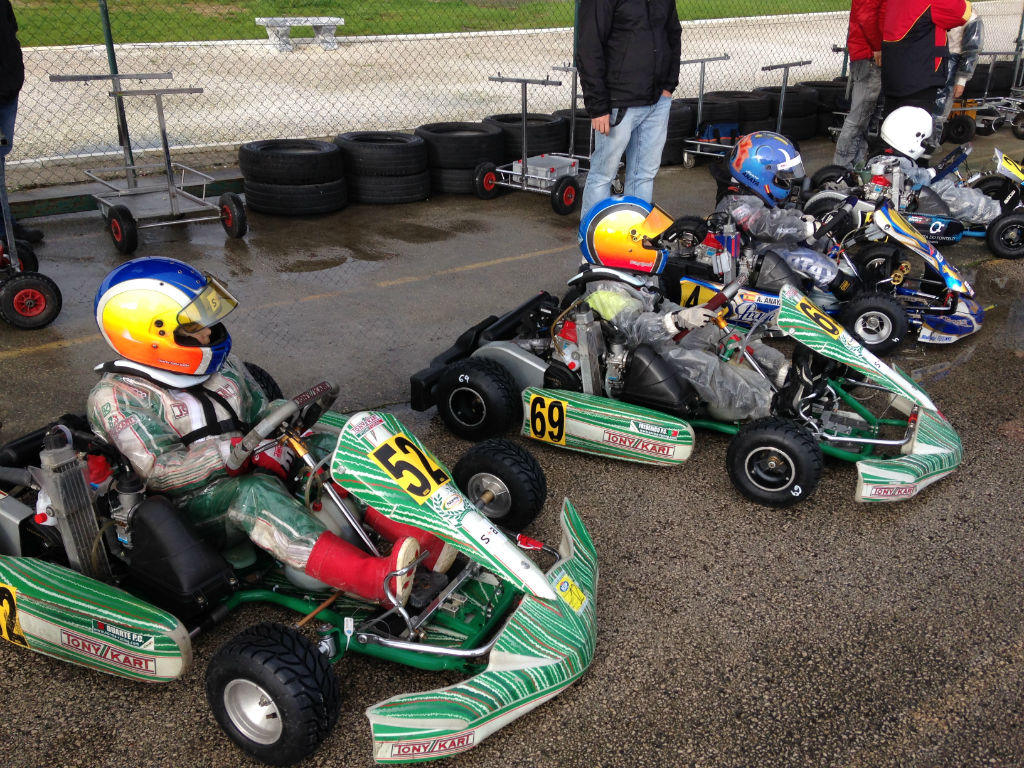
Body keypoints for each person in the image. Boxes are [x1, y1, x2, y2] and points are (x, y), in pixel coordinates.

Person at [86, 256, 455, 607]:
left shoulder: (224, 365)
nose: (210, 330)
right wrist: (237, 452)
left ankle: (421, 541)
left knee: (328, 449)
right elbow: (159, 471)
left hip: (248, 462)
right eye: (195, 326)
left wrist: (283, 422)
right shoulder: (116, 397)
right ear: (155, 334)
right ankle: (375, 581)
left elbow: (258, 411)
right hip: (189, 510)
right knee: (254, 493)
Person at [577, 198, 786, 423]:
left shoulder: (630, 277)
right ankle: (770, 403)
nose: (658, 246)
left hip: (659, 340)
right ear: (622, 245)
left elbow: (658, 303)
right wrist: (676, 321)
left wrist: (690, 314)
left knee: (717, 331)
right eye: (649, 242)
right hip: (640, 355)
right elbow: (635, 330)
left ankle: (781, 371)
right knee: (702, 365)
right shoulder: (605, 291)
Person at [575, 0, 681, 220]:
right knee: (603, 175)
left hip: (657, 101)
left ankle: (634, 236)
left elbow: (673, 33)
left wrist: (668, 85)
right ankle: (591, 240)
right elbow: (589, 47)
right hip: (618, 102)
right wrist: (598, 106)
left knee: (644, 175)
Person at [717, 132, 852, 298]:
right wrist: (804, 228)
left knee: (821, 241)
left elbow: (773, 214)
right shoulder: (735, 203)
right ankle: (848, 292)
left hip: (762, 245)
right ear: (758, 174)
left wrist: (799, 219)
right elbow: (765, 226)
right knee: (811, 262)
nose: (786, 182)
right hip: (750, 259)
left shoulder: (749, 192)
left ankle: (843, 271)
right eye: (780, 178)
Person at [869, 105, 1001, 223]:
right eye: (923, 141)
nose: (925, 145)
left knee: (949, 179)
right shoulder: (891, 162)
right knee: (947, 190)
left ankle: (983, 201)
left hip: (910, 192)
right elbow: (913, 178)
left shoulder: (884, 155)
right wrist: (931, 172)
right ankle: (996, 212)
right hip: (913, 199)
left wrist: (935, 171)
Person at [880, 0, 972, 117]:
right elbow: (963, 13)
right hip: (920, 76)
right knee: (916, 124)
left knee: (892, 121)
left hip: (893, 73)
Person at [0, 0, 42, 244]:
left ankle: (6, 227)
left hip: (7, 88)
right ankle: (5, 230)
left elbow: (10, 31)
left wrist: (14, 76)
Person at [832, 0, 884, 169]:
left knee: (868, 117)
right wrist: (877, 47)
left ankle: (857, 165)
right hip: (869, 56)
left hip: (873, 54)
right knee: (859, 117)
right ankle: (841, 167)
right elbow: (866, 16)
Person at [934, 9, 983, 132]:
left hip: (950, 61)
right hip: (931, 59)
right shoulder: (934, 7)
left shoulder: (970, 16)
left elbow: (971, 51)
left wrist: (961, 81)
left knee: (939, 107)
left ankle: (931, 138)